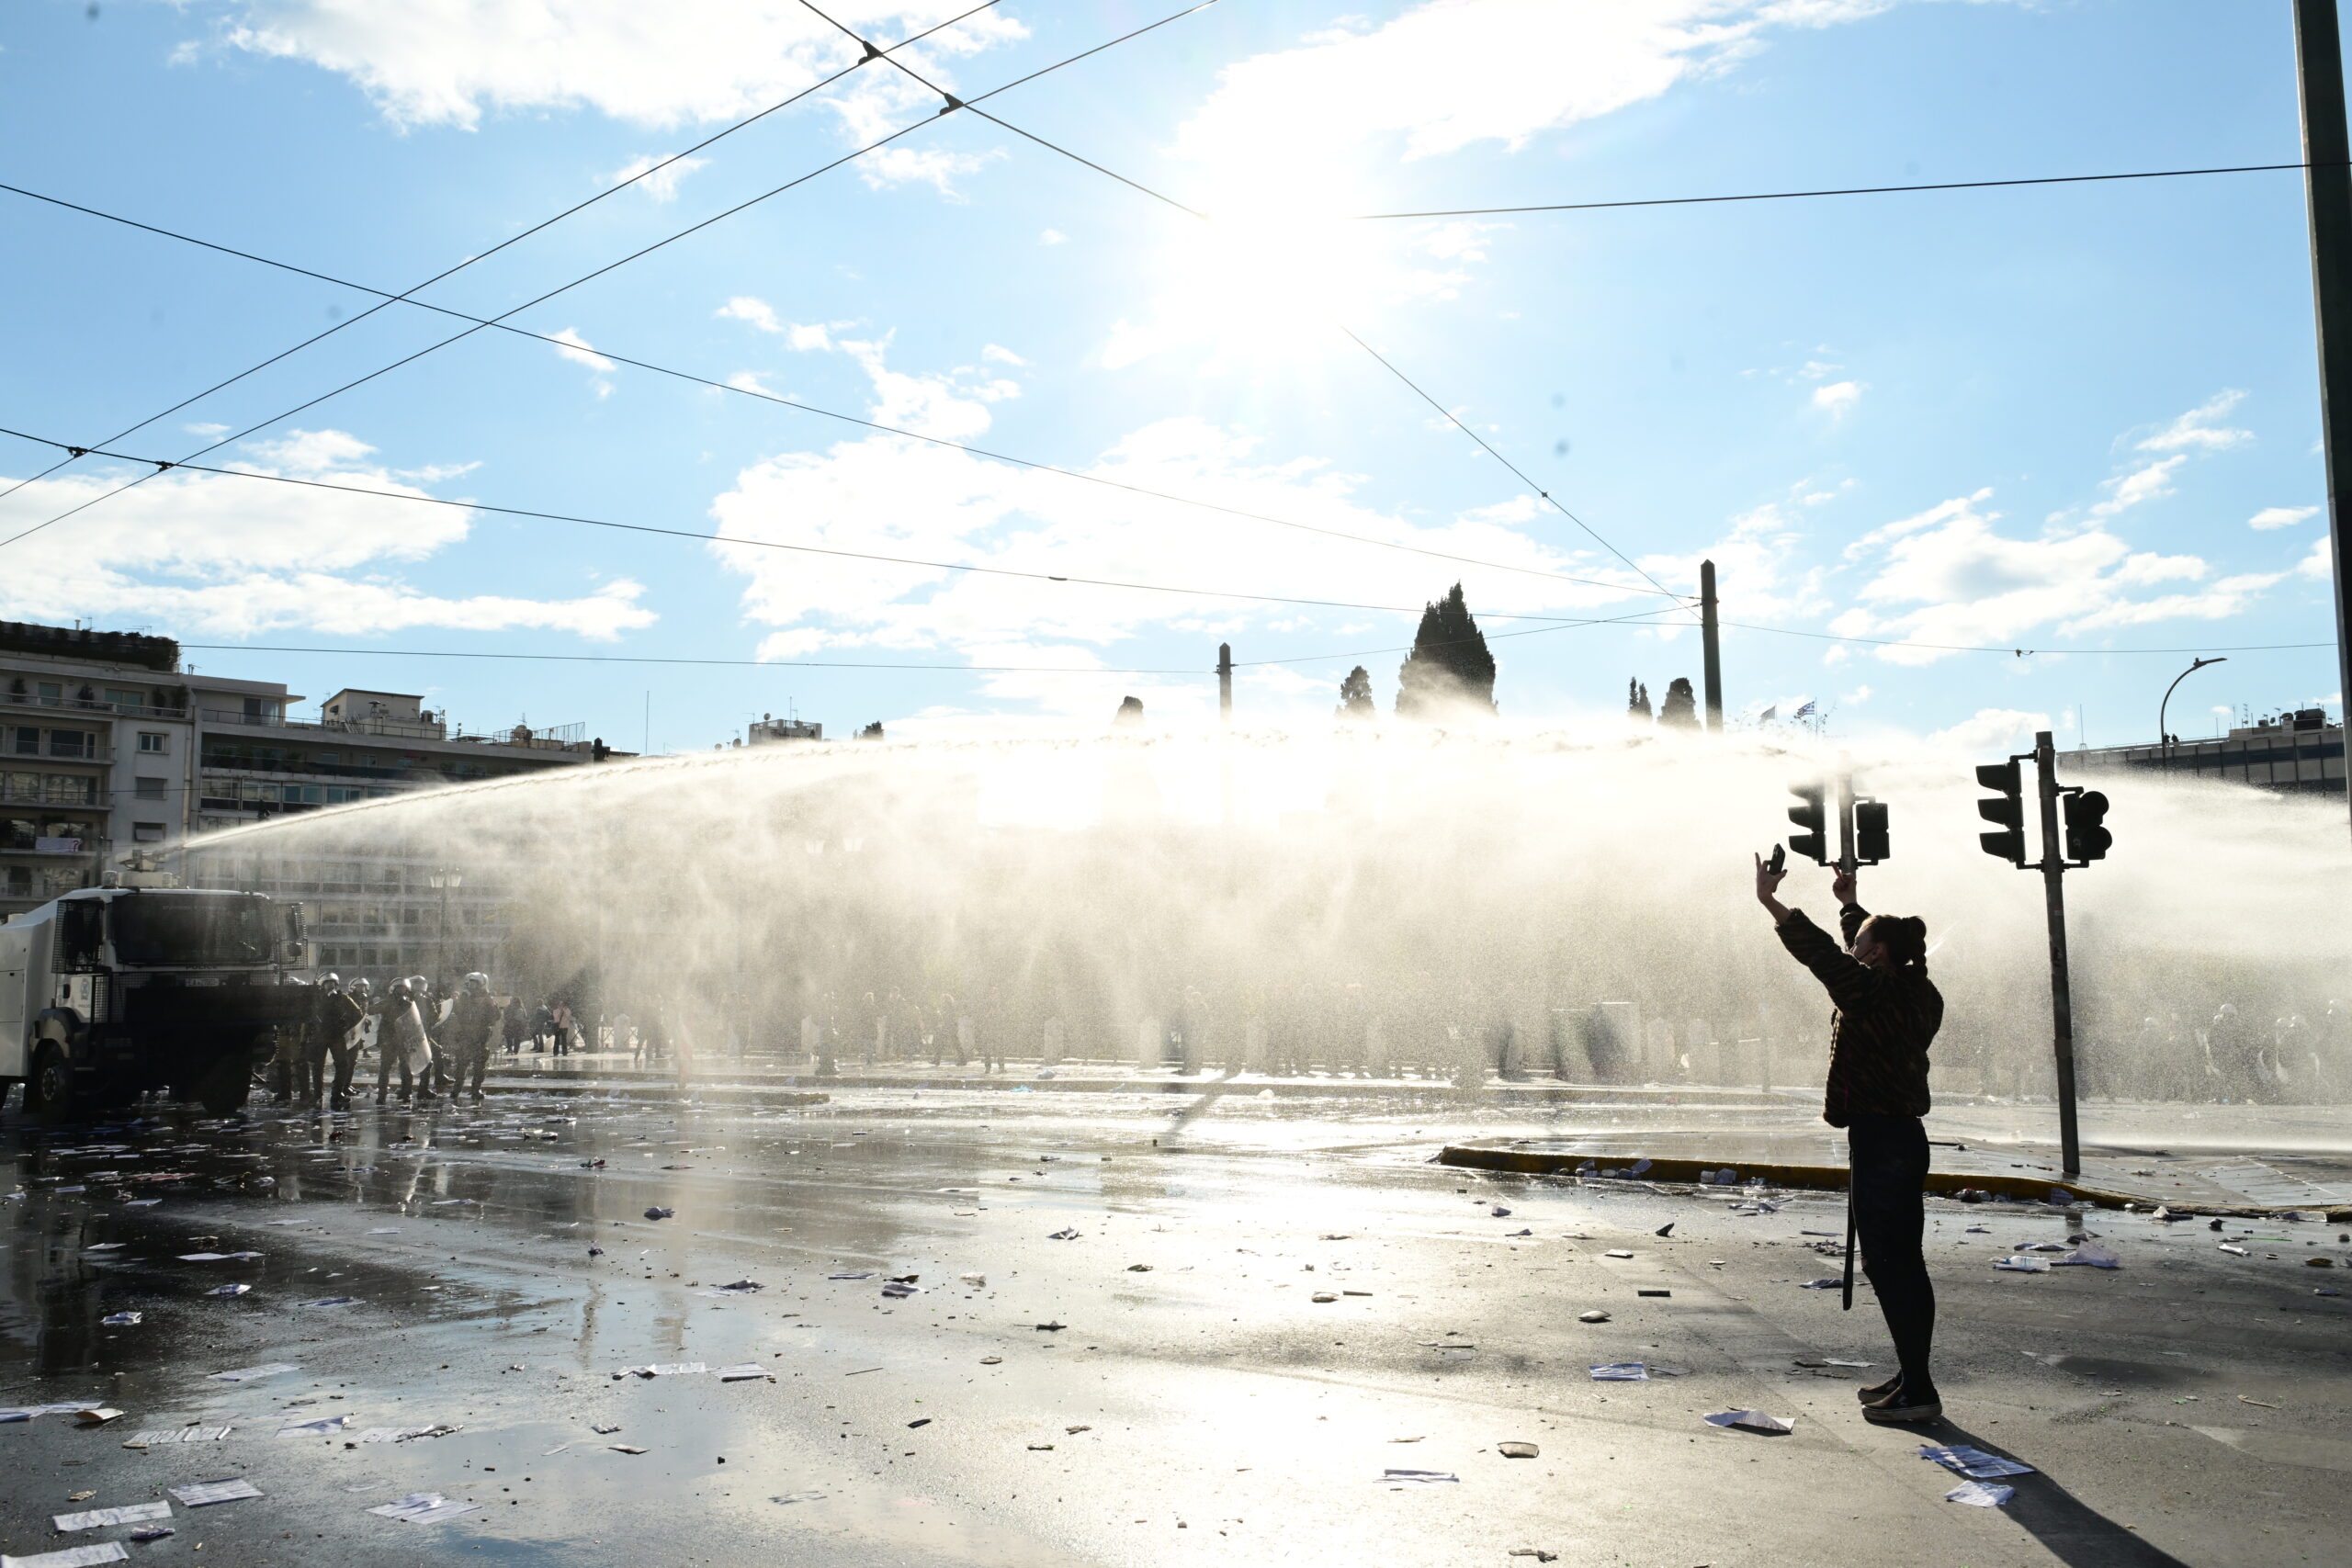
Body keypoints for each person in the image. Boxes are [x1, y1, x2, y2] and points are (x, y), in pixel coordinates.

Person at [1757, 853, 1945, 1425]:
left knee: (1890, 1266)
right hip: (1902, 1139)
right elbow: (1853, 953)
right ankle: (1912, 1374)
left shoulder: (1869, 993)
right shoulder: (1919, 991)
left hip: (1882, 1141)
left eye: (1861, 942)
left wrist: (1770, 902)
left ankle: (1919, 1389)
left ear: (1876, 953)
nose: (1853, 949)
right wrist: (1849, 905)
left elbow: (1823, 958)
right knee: (1902, 1262)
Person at [309, 974, 366, 1111]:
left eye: (333, 983)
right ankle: (317, 1094)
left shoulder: (343, 998)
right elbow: (309, 1013)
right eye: (327, 983)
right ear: (322, 985)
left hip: (336, 1035)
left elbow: (357, 1013)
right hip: (320, 1036)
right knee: (318, 1066)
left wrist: (346, 1024)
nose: (330, 985)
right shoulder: (316, 998)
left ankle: (337, 1093)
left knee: (343, 1064)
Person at [376, 977, 435, 1105]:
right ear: (393, 989)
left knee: (406, 1068)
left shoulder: (409, 1004)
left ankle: (406, 1093)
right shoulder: (387, 1003)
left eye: (403, 989)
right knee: (385, 1068)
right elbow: (371, 1011)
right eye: (398, 988)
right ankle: (381, 1095)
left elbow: (415, 1021)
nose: (401, 991)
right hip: (389, 1040)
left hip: (404, 1041)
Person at [445, 972, 502, 1103]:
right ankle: (456, 1089)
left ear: (481, 984)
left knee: (479, 1066)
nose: (471, 986)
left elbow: (495, 1018)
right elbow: (459, 1014)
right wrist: (456, 1002)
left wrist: (492, 1005)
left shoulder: (488, 998)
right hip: (466, 1036)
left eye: (474, 983)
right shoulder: (465, 997)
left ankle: (476, 1090)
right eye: (470, 983)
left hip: (481, 1038)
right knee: (461, 1064)